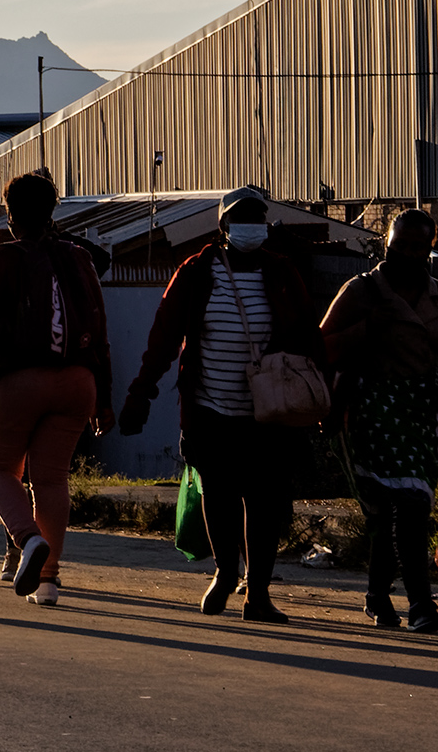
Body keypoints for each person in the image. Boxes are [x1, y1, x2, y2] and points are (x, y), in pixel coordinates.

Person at [122, 186, 321, 622]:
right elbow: (163, 339)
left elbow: (308, 336)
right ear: (223, 226)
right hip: (209, 409)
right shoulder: (196, 272)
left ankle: (259, 593)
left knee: (265, 501)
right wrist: (141, 392)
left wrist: (322, 398)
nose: (250, 228)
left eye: (257, 220)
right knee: (220, 494)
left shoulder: (283, 273)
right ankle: (225, 573)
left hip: (269, 413)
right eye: (241, 220)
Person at [0, 173, 111, 608]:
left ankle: (27, 540)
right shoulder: (80, 258)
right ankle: (48, 581)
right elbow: (99, 330)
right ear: (53, 211)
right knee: (52, 478)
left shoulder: (0, 260)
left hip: (16, 380)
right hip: (78, 382)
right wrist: (106, 398)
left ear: (8, 213)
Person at [321, 208, 438, 630]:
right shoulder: (362, 291)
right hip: (370, 410)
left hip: (422, 415)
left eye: (415, 247)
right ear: (384, 244)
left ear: (429, 249)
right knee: (402, 506)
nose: (405, 253)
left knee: (403, 508)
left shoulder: (435, 296)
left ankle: (377, 595)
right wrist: (367, 328)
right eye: (397, 245)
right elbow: (323, 347)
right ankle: (422, 605)